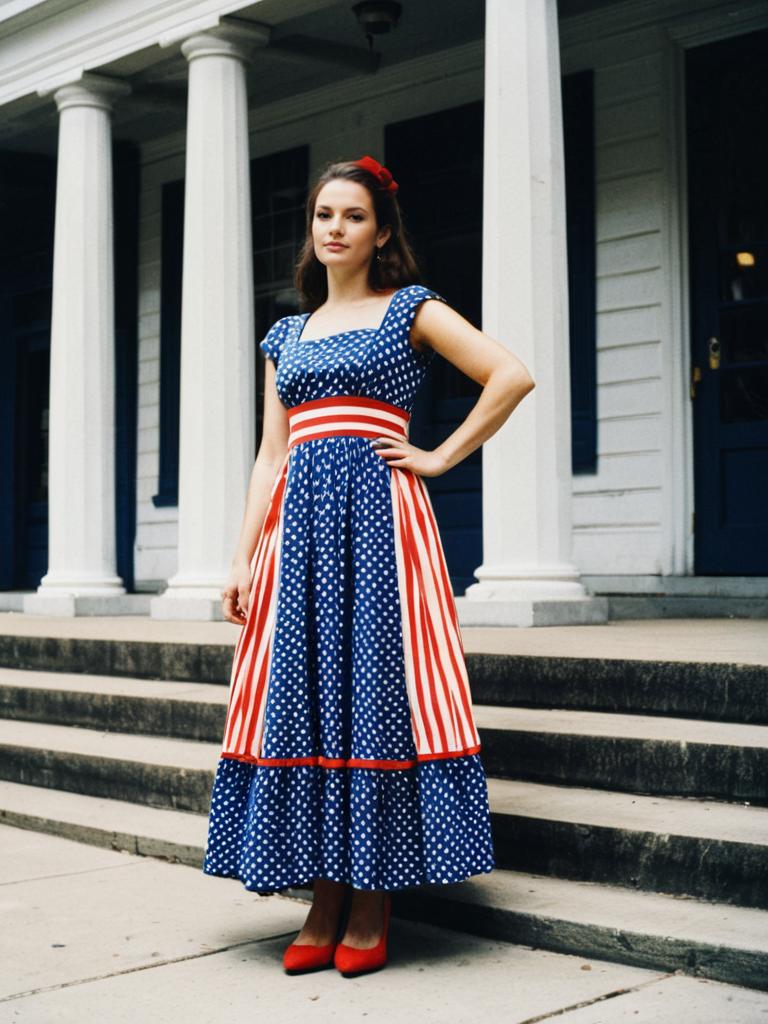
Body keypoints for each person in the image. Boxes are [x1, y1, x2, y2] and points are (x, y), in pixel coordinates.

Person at [202, 154, 535, 977]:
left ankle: (371, 897)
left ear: (381, 231)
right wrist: (243, 558)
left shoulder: (410, 309)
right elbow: (270, 454)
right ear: (311, 232)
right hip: (299, 533)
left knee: (375, 693)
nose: (336, 229)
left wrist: (438, 456)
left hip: (381, 527)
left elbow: (510, 374)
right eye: (324, 217)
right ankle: (322, 894)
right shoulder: (287, 333)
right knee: (305, 699)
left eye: (353, 216)